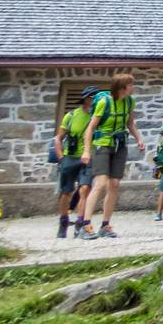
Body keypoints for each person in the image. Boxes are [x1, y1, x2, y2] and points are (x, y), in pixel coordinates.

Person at [77, 72, 145, 239]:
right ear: (123, 87)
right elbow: (90, 128)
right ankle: (85, 226)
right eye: (131, 85)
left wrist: (139, 138)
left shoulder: (130, 101)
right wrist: (86, 150)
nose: (133, 87)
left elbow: (129, 123)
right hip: (102, 145)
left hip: (120, 144)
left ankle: (105, 225)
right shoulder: (103, 102)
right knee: (100, 183)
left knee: (114, 184)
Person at [52, 86, 100, 238]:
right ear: (85, 98)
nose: (94, 100)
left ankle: (80, 223)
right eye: (92, 97)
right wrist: (61, 158)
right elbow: (58, 138)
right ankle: (63, 220)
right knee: (66, 192)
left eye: (96, 97)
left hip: (88, 158)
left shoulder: (98, 116)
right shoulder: (71, 116)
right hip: (70, 158)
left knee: (85, 189)